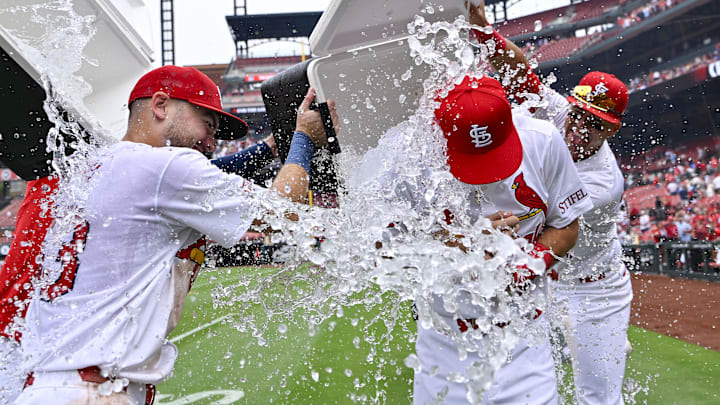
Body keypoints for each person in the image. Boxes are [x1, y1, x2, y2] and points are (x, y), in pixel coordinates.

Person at [14, 65, 338, 404]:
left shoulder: (97, 165)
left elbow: (207, 174)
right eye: (207, 125)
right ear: (160, 105)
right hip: (90, 391)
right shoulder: (166, 168)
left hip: (56, 382)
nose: (213, 142)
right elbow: (286, 213)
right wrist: (303, 140)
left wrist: (271, 147)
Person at [363, 75, 592, 403]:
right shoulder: (405, 161)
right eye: (473, 161)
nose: (490, 174)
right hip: (446, 343)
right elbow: (379, 252)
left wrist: (524, 267)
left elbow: (567, 227)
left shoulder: (542, 140)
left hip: (523, 339)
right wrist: (457, 243)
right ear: (439, 138)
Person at [467, 2, 633, 403]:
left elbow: (549, 225)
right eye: (581, 115)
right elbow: (519, 75)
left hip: (594, 290)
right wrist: (482, 30)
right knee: (524, 387)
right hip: (550, 275)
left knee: (598, 397)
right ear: (572, 105)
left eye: (597, 125)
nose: (582, 128)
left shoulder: (604, 183)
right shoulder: (559, 113)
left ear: (612, 131)